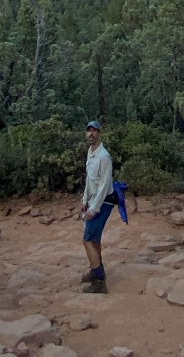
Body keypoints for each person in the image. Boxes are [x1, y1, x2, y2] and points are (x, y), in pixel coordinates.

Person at [79, 120, 115, 292]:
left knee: (87, 239)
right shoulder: (91, 152)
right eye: (89, 131)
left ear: (99, 133)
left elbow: (104, 185)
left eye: (94, 131)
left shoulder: (104, 156)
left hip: (104, 201)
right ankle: (96, 270)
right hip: (94, 199)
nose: (91, 134)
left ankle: (100, 281)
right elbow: (90, 179)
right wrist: (85, 200)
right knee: (94, 239)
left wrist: (94, 209)